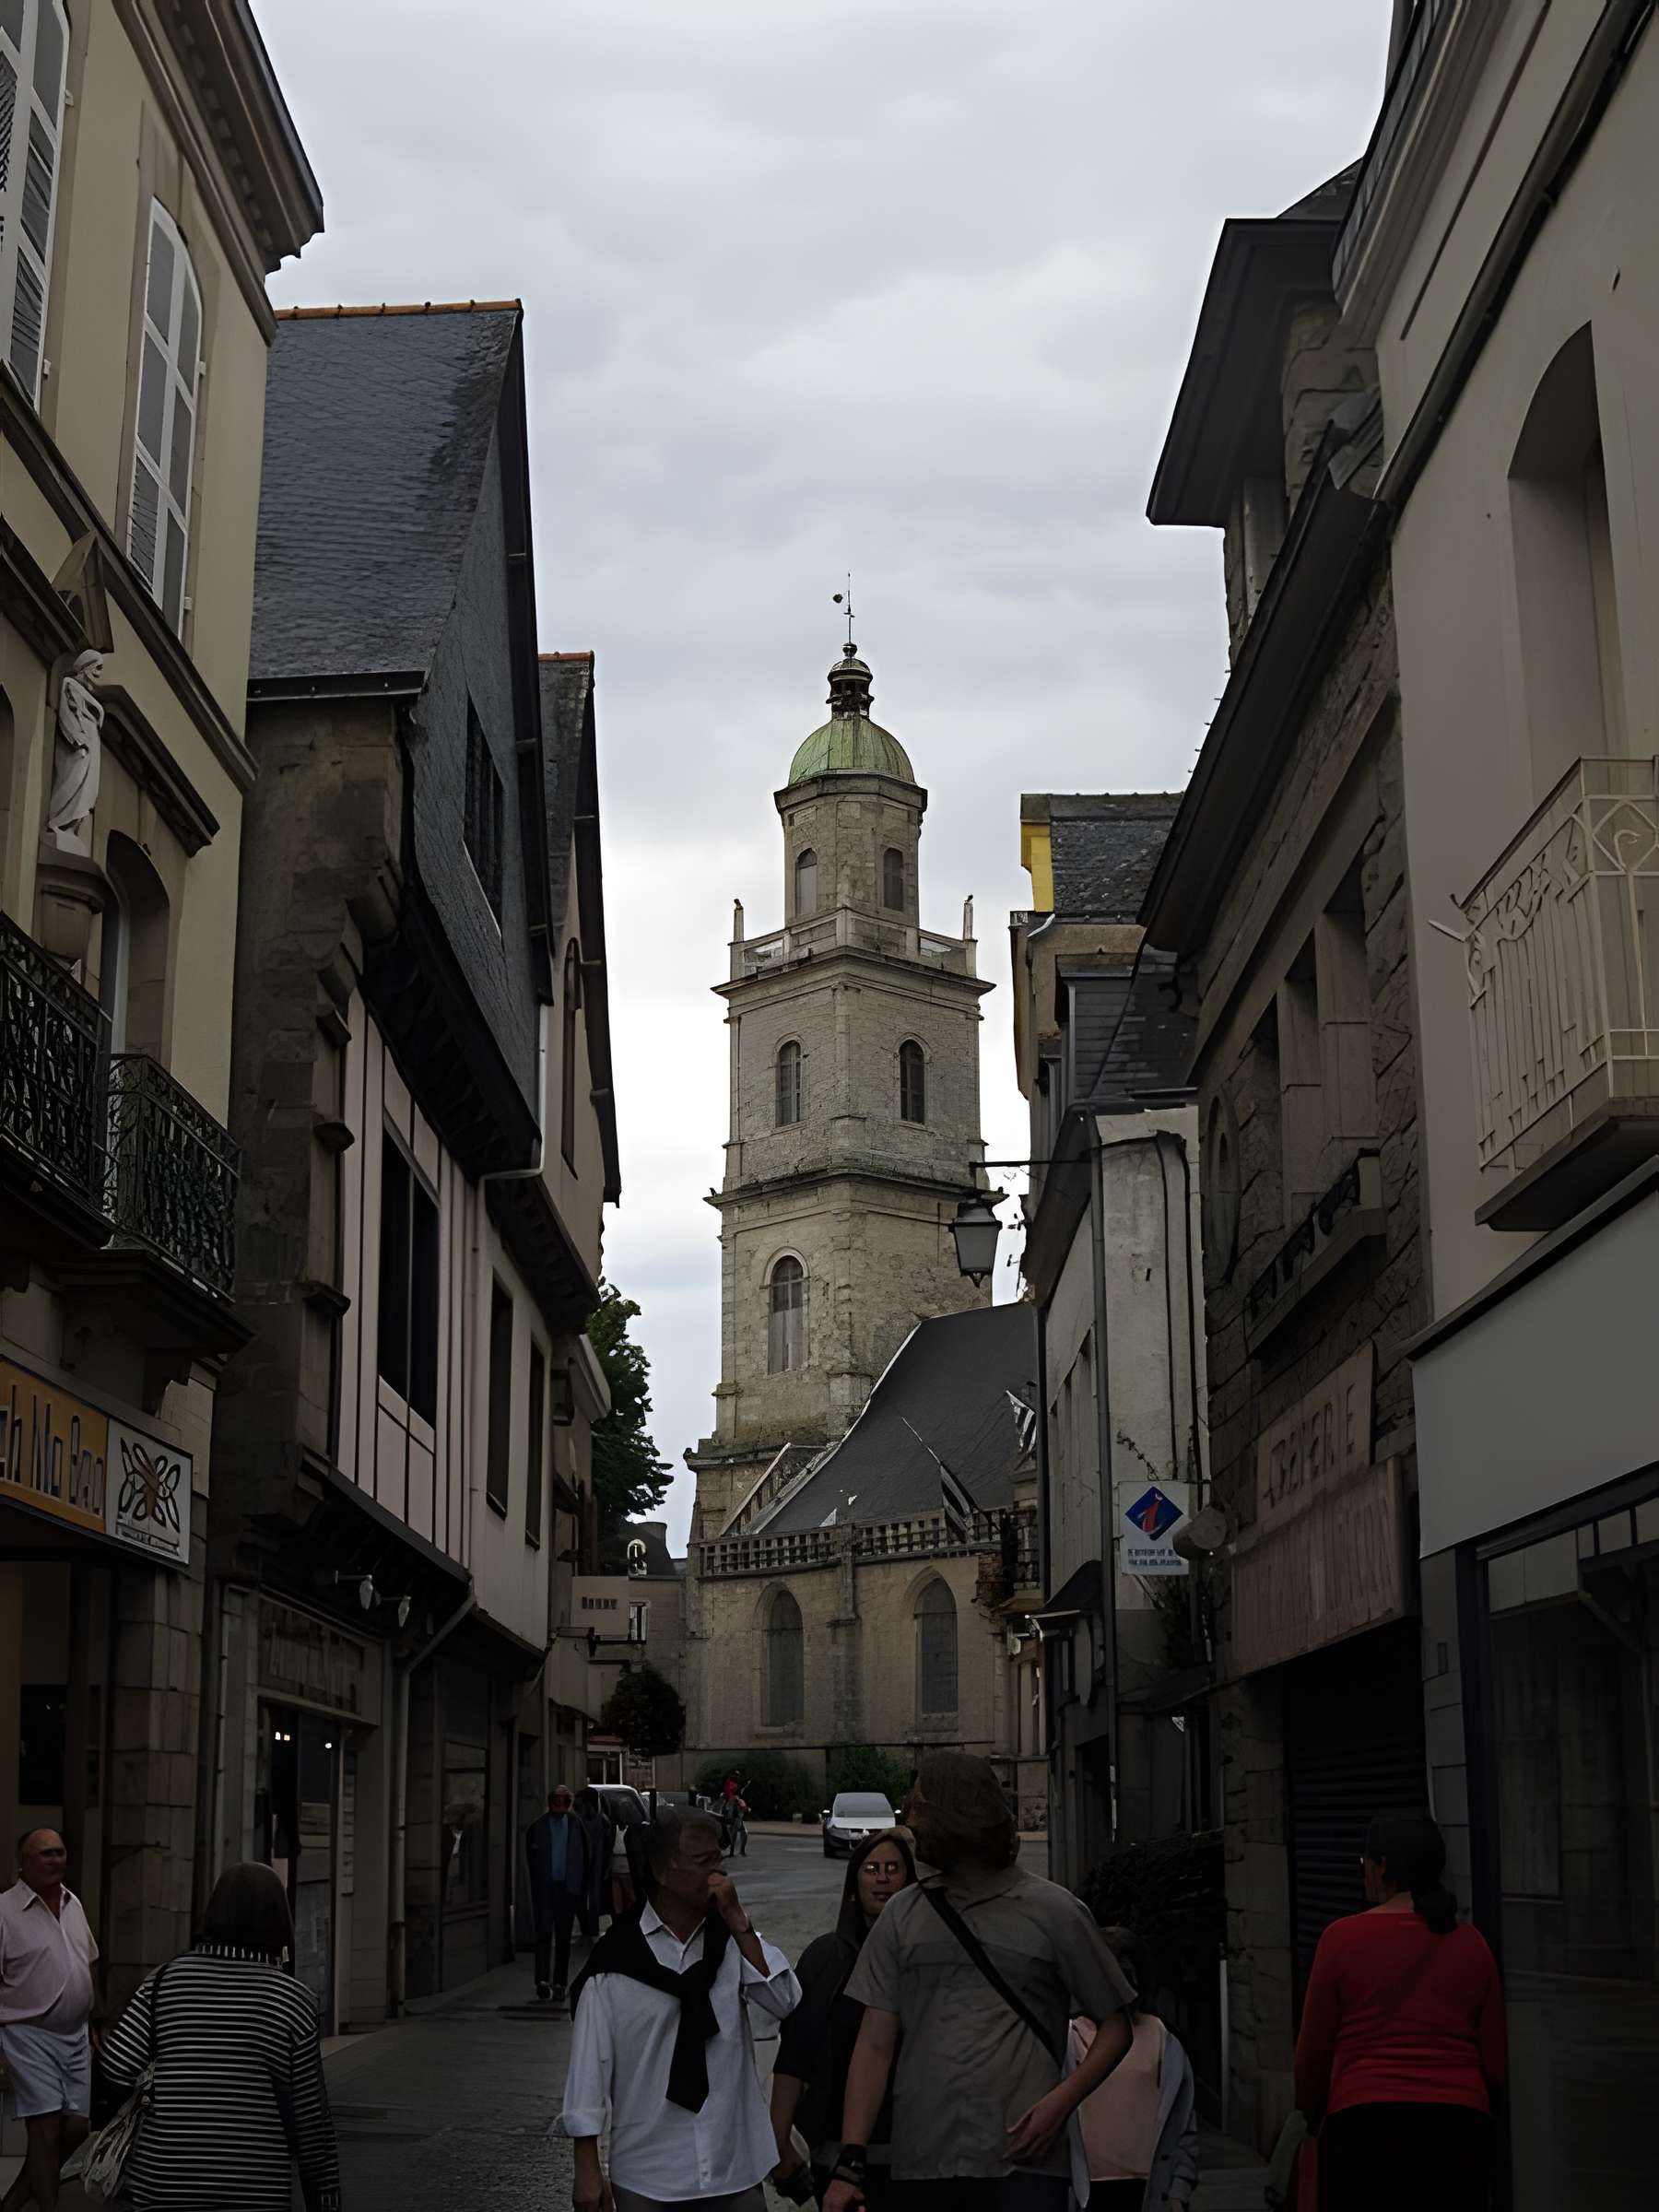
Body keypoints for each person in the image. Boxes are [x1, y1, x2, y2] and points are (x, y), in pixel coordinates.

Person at [823, 1750, 1135, 2212]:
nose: (909, 1819)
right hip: (924, 2159)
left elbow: (1117, 2026)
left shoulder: (1054, 1912)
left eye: (918, 1805)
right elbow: (874, 2044)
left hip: (1024, 2162)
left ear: (953, 1814)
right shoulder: (902, 1916)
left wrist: (1060, 2104)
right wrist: (851, 2161)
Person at [562, 1806, 800, 2212]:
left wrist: (739, 1921)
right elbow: (588, 2069)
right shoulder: (615, 1962)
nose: (718, 1873)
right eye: (703, 1860)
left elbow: (785, 2001)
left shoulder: (732, 1944)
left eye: (719, 1859)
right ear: (662, 1871)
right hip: (650, 2175)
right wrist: (586, 2166)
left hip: (734, 2168)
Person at [97, 1860, 340, 2212]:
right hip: (254, 2191)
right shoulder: (293, 2000)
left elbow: (117, 2069)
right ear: (280, 1919)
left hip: (163, 2183)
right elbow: (311, 2123)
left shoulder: (163, 1983)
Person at [1293, 1812, 1505, 2212]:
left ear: (1382, 1866)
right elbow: (1495, 2062)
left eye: (1364, 1863)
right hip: (1459, 2131)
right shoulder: (1472, 1944)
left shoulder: (1341, 1940)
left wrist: (1310, 2114)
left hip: (1364, 2128)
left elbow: (1311, 2058)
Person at [771, 1829, 916, 2207]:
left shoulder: (926, 1960)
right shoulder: (825, 1959)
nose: (882, 1878)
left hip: (917, 2153)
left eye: (893, 1869)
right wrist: (779, 2140)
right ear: (853, 1886)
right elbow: (795, 2057)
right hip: (837, 2156)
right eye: (871, 1869)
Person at [0, 1830, 98, 2212]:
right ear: (23, 1862)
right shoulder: (4, 1911)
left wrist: (95, 2017)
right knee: (44, 2129)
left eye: (59, 1852)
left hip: (75, 2034)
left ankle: (12, 2203)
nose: (55, 1860)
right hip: (27, 2032)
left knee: (76, 2128)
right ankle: (47, 2208)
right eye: (45, 1854)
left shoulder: (74, 1904)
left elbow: (87, 1962)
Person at [1069, 1925, 1197, 2211]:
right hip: (1085, 2191)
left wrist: (1178, 2190)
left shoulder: (1163, 2040)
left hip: (1147, 2190)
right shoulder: (1069, 2039)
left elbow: (1183, 2126)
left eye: (1125, 1973)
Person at [527, 1785, 596, 2001]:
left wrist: (581, 1887)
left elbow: (586, 1855)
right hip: (545, 1888)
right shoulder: (538, 1827)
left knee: (564, 1937)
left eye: (564, 1802)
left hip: (568, 1889)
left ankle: (560, 1982)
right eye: (556, 1803)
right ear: (550, 1804)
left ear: (568, 1804)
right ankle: (542, 1980)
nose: (559, 1807)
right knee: (544, 1934)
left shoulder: (576, 1825)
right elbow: (531, 1859)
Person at [572, 1787, 611, 1939]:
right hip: (590, 1863)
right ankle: (590, 1927)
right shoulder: (601, 1821)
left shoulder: (585, 1821)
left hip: (591, 1863)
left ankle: (589, 1927)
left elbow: (607, 1845)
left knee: (588, 1897)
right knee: (587, 1897)